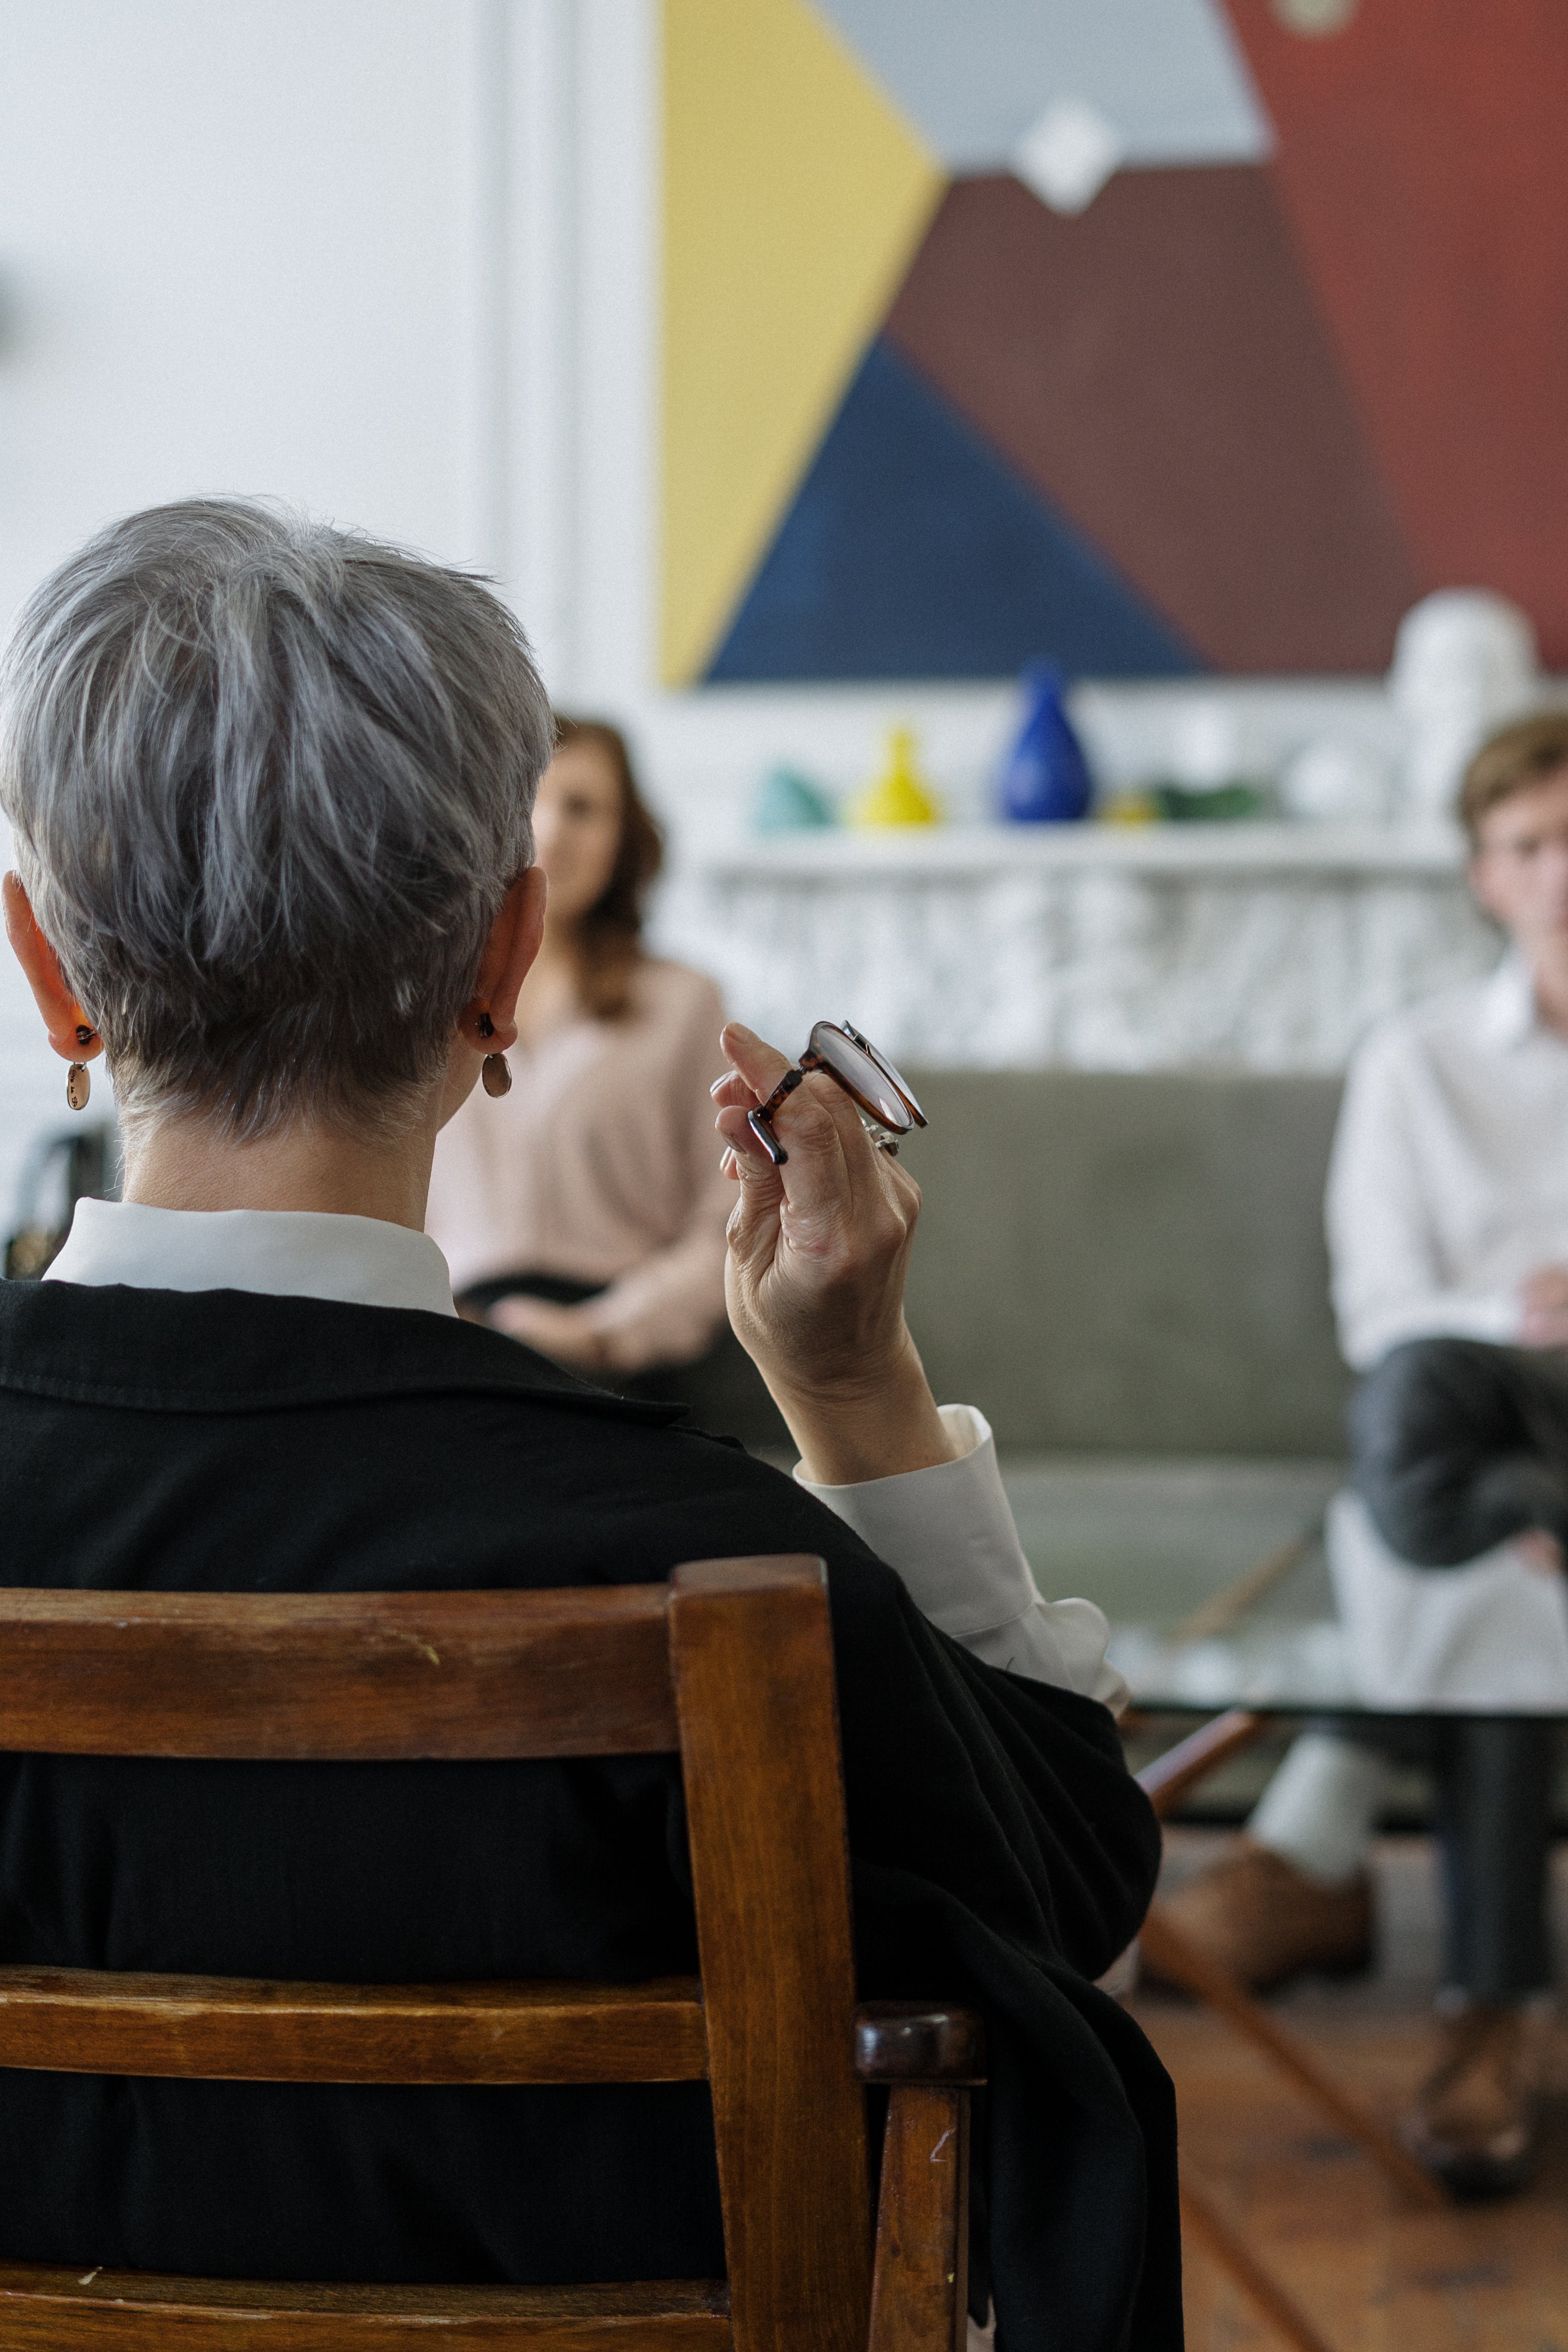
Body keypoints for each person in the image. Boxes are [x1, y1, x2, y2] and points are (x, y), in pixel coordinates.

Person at [0, 501, 1180, 2350]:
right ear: (507, 960)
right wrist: (853, 1385)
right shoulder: (704, 1559)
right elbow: (1072, 1889)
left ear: (46, 969)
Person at [1160, 711, 1568, 2194]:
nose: (1562, 871)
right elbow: (1381, 1311)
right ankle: (1494, 2008)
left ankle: (1309, 1841)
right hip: (1467, 1406)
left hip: (1513, 1447)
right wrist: (1514, 1303)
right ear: (1482, 874)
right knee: (1426, 1425)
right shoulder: (1420, 1060)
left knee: (1436, 1513)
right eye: (1532, 843)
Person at [426, 718, 754, 1429]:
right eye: (528, 802)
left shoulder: (687, 1002)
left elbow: (728, 1219)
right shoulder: (423, 1000)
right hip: (448, 1348)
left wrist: (608, 1332)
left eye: (582, 806)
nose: (550, 829)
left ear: (624, 838)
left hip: (623, 1362)